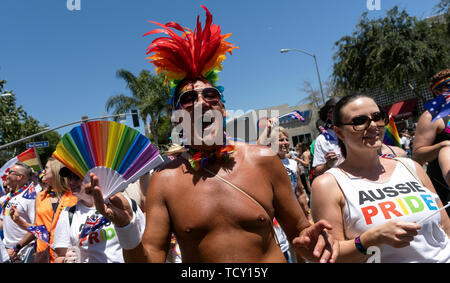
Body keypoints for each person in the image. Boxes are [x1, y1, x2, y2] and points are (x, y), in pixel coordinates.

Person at [84, 6, 338, 263]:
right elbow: (152, 258)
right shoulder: (165, 180)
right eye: (188, 98)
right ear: (176, 117)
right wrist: (126, 227)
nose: (201, 102)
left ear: (222, 108)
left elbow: (299, 232)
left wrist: (314, 243)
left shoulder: (263, 159)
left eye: (210, 95)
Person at [311, 93, 450, 262]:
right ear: (339, 132)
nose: (373, 126)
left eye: (377, 117)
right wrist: (371, 238)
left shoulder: (411, 166)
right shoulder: (328, 184)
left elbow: (445, 226)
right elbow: (331, 254)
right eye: (359, 121)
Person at [53, 167, 145, 263]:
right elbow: (59, 256)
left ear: (93, 177)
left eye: (76, 177)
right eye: (69, 178)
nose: (71, 182)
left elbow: (145, 242)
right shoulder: (68, 215)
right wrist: (65, 260)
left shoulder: (122, 204)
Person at [9, 158, 78, 263]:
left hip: (67, 255)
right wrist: (18, 221)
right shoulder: (40, 197)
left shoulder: (74, 196)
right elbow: (39, 229)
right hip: (43, 255)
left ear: (55, 170)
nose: (43, 171)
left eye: (46, 168)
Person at [413, 69, 450, 216]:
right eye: (448, 86)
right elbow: (417, 156)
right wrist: (443, 145)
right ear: (436, 92)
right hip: (444, 189)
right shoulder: (431, 116)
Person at [1, 162, 36, 262]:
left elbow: (37, 228)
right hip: (8, 251)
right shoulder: (10, 196)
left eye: (10, 172)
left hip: (23, 252)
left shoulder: (30, 197)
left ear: (20, 177)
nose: (6, 175)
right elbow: (4, 223)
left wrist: (16, 248)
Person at [312, 97, 343, 176]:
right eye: (333, 111)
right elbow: (317, 171)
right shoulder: (322, 140)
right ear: (329, 115)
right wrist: (328, 165)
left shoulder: (356, 131)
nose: (339, 113)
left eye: (341, 109)